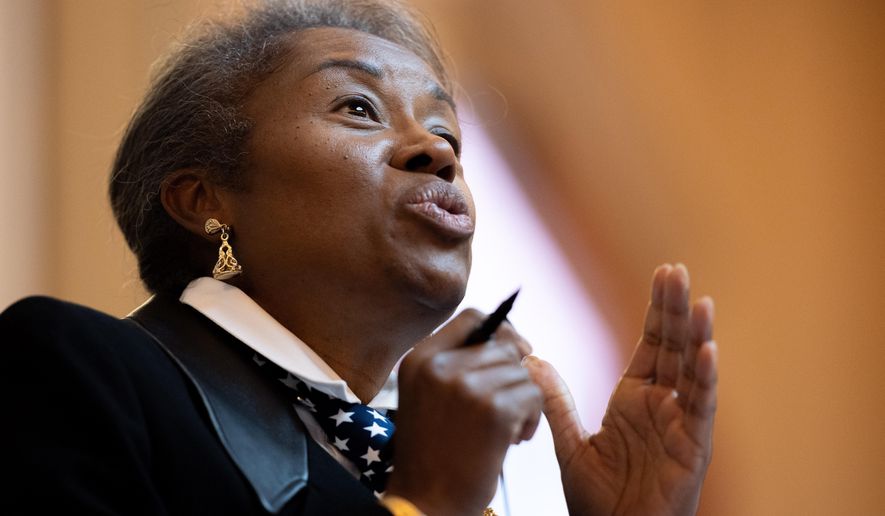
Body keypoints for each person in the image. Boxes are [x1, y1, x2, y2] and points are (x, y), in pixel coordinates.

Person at [1, 0, 718, 514]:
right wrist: (428, 502)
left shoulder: (473, 467)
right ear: (204, 199)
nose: (435, 151)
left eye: (447, 134)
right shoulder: (72, 373)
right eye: (358, 108)